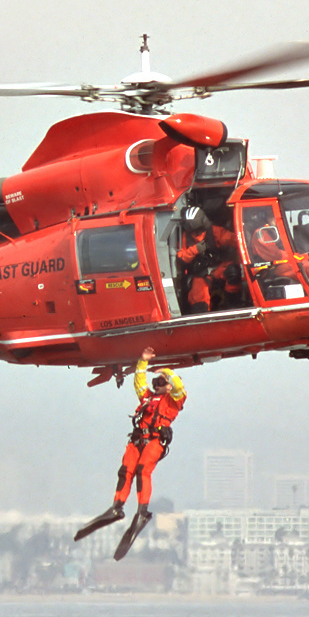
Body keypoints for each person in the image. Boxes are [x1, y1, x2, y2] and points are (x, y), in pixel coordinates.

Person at [74, 347, 186, 541]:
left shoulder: (174, 400)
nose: (157, 384)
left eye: (161, 383)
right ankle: (116, 508)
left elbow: (179, 388)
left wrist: (166, 371)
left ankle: (142, 512)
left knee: (143, 471)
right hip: (137, 439)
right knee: (125, 471)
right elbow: (139, 382)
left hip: (155, 440)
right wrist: (143, 362)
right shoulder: (148, 398)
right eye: (156, 382)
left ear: (168, 386)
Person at [247, 208, 309, 296]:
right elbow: (275, 256)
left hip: (285, 261)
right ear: (264, 216)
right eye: (272, 215)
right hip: (272, 268)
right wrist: (293, 256)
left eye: (278, 214)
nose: (277, 218)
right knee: (302, 266)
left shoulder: (276, 231)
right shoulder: (261, 233)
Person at [176, 206, 242, 313]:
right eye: (192, 231)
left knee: (233, 271)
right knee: (198, 296)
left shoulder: (215, 232)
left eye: (198, 230)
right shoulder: (185, 237)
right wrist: (195, 250)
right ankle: (202, 321)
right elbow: (181, 258)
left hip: (218, 268)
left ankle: (233, 305)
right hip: (200, 274)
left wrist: (245, 240)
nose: (196, 234)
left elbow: (233, 239)